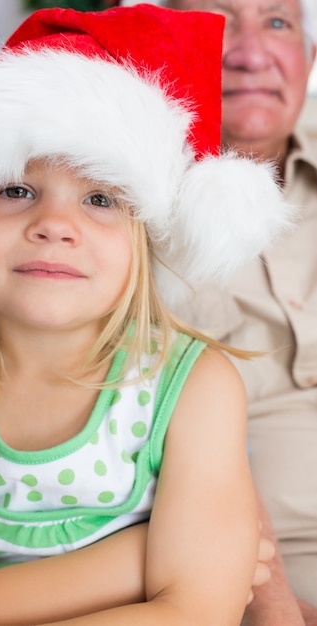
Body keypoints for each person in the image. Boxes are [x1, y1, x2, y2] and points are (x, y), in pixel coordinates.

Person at [0, 4, 294, 625]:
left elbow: (195, 614)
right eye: (16, 189)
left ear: (144, 240)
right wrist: (147, 556)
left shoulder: (195, 386)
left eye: (101, 198)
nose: (55, 225)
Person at [153, 0, 317, 624]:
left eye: (277, 23)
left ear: (309, 58)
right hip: (241, 574)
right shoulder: (112, 200)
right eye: (217, 25)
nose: (248, 53)